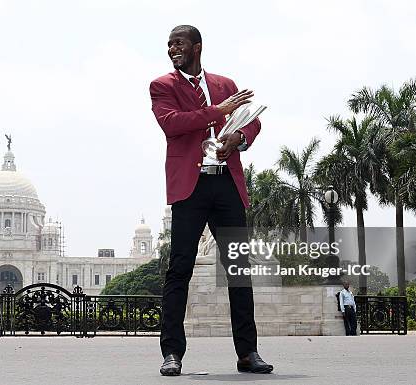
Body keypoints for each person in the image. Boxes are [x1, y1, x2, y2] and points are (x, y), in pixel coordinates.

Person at [149, 25, 273, 376]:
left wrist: (239, 138)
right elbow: (173, 124)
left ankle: (248, 353)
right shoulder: (162, 86)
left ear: (197, 46)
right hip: (190, 187)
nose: (173, 48)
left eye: (179, 43)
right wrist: (219, 111)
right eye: (169, 44)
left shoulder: (225, 84)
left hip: (227, 186)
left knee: (239, 269)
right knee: (179, 270)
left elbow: (253, 122)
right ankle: (172, 353)